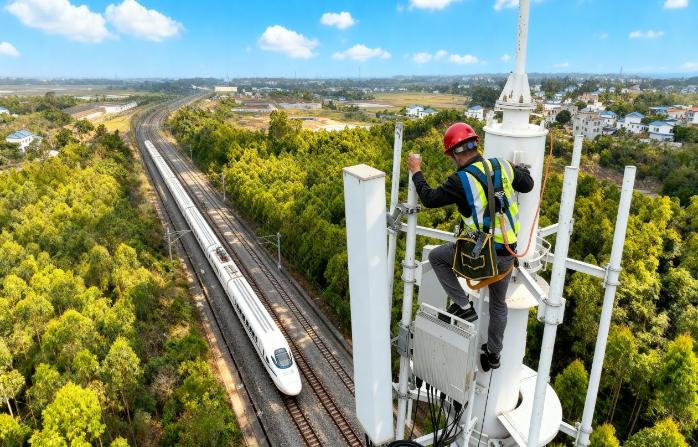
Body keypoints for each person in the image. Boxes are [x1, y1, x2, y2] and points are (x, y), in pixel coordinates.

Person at [407, 122, 534, 371]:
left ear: (454, 154)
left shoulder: (460, 180)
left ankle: (464, 306)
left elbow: (429, 198)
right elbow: (527, 185)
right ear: (476, 145)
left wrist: (416, 171)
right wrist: (518, 169)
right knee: (499, 304)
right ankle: (494, 355)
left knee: (437, 258)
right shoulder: (502, 165)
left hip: (481, 256)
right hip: (508, 254)